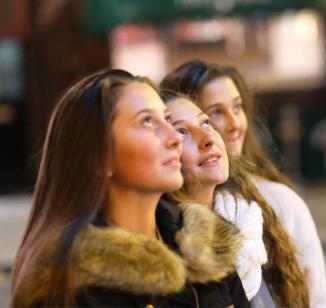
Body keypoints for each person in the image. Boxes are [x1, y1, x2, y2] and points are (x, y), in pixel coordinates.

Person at [10, 69, 249, 308]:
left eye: (166, 119)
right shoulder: (73, 282)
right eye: (147, 121)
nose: (174, 137)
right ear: (100, 156)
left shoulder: (202, 243)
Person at [160, 60, 326, 308]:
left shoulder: (273, 203)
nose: (233, 123)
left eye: (237, 108)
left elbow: (315, 298)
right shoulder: (166, 227)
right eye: (216, 112)